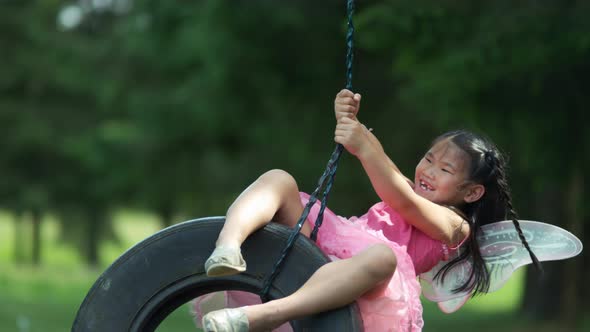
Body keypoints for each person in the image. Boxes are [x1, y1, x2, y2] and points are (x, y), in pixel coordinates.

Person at [196, 89, 541, 332]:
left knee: (382, 257)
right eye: (429, 159)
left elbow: (401, 198)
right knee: (279, 179)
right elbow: (389, 171)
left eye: (445, 170)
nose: (428, 171)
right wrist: (350, 121)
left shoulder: (455, 226)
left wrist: (362, 146)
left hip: (367, 284)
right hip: (328, 250)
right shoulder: (407, 188)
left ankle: (267, 316)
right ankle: (228, 247)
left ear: (472, 193)